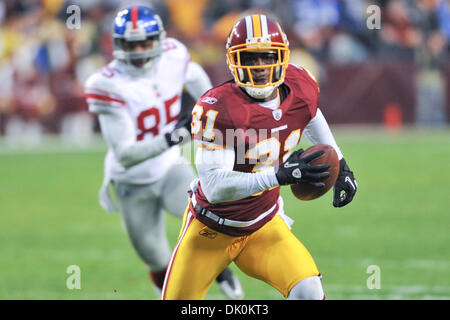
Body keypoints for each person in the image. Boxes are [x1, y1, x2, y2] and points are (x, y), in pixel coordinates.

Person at [161, 14, 357, 300]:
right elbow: (214, 186)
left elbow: (311, 114)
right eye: (250, 58)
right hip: (211, 229)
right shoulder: (217, 107)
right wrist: (278, 176)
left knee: (310, 293)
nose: (260, 67)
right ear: (233, 61)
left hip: (264, 225)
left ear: (282, 57)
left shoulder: (300, 84)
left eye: (267, 56)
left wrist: (341, 164)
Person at [84, 6, 243, 299]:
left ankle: (220, 269)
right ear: (119, 45)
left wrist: (214, 112)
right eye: (132, 44)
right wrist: (173, 137)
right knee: (156, 258)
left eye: (145, 42)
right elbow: (125, 154)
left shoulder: (173, 55)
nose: (139, 50)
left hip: (170, 167)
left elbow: (199, 82)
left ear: (158, 39)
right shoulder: (106, 84)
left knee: (208, 219)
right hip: (131, 180)